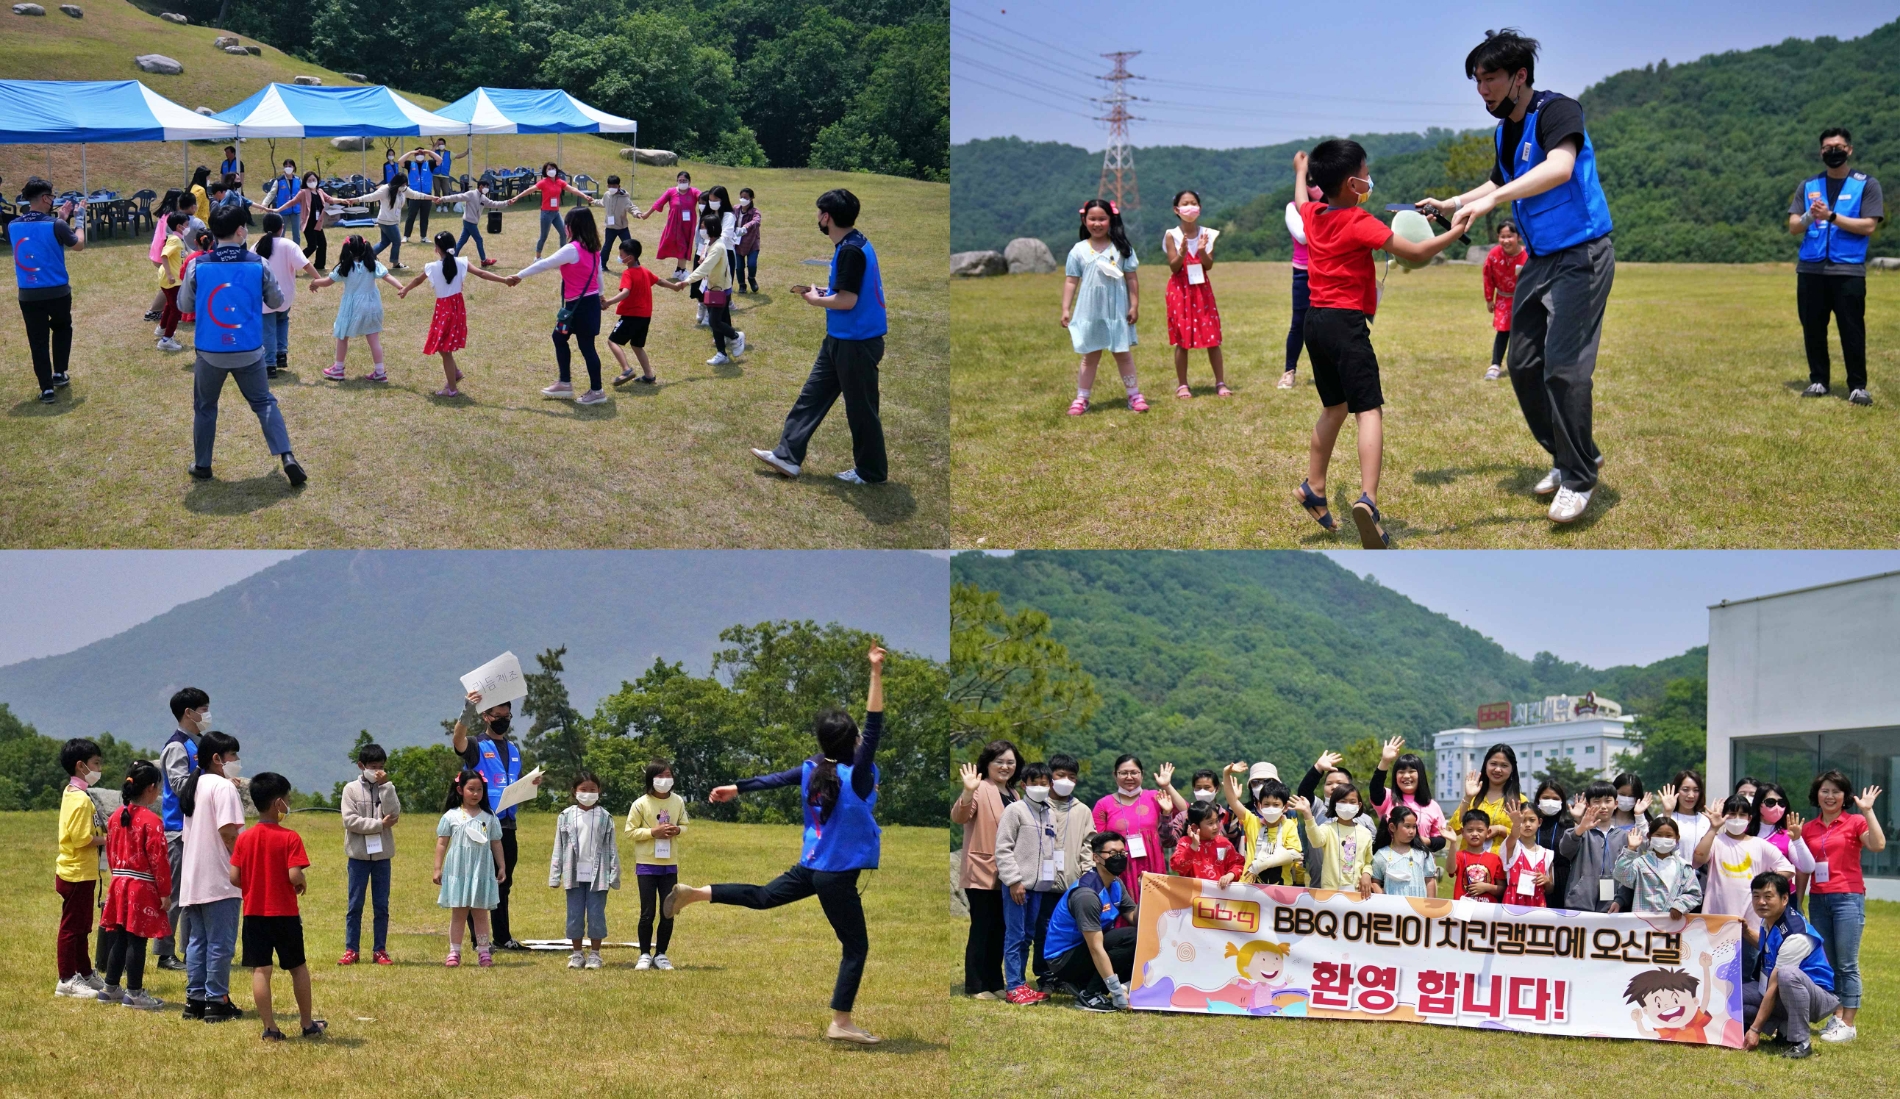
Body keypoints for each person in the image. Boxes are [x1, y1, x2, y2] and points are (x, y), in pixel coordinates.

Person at [1417, 29, 1617, 525]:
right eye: (1477, 80)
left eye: (1490, 78)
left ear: (1519, 76)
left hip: (1582, 254)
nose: (1482, 89)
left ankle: (1578, 477)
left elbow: (1560, 168)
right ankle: (1571, 455)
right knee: (1524, 363)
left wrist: (1492, 201)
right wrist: (1454, 202)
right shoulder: (1505, 130)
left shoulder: (1557, 111)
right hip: (1542, 258)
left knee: (1565, 369)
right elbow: (1499, 179)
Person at [662, 644, 889, 1046]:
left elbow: (776, 779)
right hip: (836, 875)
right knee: (856, 948)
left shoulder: (813, 768)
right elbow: (875, 723)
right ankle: (841, 1022)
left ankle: (695, 893)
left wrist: (737, 787)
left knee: (764, 896)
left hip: (812, 866)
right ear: (853, 741)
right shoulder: (859, 773)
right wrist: (875, 672)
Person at [1292, 140, 1466, 548]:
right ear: (1352, 184)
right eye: (1365, 173)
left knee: (1334, 407)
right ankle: (1368, 501)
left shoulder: (1314, 214)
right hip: (1346, 324)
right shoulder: (1359, 221)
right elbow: (1416, 252)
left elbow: (1301, 199)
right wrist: (1456, 230)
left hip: (1314, 323)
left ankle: (1314, 486)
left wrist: (1300, 171)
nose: (1369, 180)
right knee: (1368, 410)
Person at [750, 189, 890, 485]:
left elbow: (848, 300)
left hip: (857, 342)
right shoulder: (853, 242)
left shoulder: (851, 250)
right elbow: (847, 291)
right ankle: (787, 456)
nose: (817, 217)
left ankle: (871, 472)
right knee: (811, 397)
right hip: (839, 338)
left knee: (861, 409)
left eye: (818, 213)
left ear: (827, 217)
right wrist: (828, 293)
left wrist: (816, 300)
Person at [179, 205, 307, 486]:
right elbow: (276, 301)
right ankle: (286, 455)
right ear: (240, 231)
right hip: (249, 349)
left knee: (205, 407)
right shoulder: (258, 263)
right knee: (264, 402)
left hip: (210, 351)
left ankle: (202, 464)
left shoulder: (197, 265)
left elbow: (184, 305)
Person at [1789, 128, 1885, 405]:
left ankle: (1857, 386)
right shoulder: (1808, 185)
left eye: (1839, 147)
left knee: (1852, 329)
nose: (1833, 151)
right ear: (1820, 152)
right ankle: (1819, 380)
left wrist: (1831, 216)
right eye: (1827, 147)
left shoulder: (1866, 184)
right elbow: (1794, 226)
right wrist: (1810, 215)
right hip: (1811, 269)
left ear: (1849, 150)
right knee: (1813, 329)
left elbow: (1868, 226)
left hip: (1847, 270)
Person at [229, 772, 325, 1042]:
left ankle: (270, 1028)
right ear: (278, 803)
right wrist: (301, 880)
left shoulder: (244, 838)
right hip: (284, 914)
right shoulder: (290, 837)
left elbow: (234, 877)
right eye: (287, 800)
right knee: (298, 968)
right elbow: (294, 874)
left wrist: (254, 885)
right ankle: (307, 1024)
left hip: (254, 914)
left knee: (261, 970)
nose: (288, 804)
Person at [453, 688, 544, 952]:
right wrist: (467, 710)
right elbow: (457, 741)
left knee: (503, 882)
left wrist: (530, 784)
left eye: (507, 716)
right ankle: (478, 941)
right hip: (479, 824)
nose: (503, 720)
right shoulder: (476, 745)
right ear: (486, 717)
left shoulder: (514, 748)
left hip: (506, 825)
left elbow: (511, 782)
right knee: (477, 882)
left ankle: (503, 937)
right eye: (498, 716)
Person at [1799, 771, 1885, 1041]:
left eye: (1836, 791)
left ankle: (1848, 1023)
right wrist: (1799, 901)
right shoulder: (1808, 828)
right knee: (1829, 962)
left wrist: (1868, 811)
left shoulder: (1855, 821)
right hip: (1819, 899)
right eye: (1825, 790)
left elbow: (1878, 844)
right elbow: (1803, 868)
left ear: (1845, 796)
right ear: (1817, 794)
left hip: (1848, 898)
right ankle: (1836, 1017)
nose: (1830, 796)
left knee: (1847, 963)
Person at [395, 231, 515, 397]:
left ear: (437, 249)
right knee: (443, 346)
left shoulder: (432, 267)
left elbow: (417, 280)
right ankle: (455, 373)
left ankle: (451, 388)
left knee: (444, 348)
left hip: (444, 309)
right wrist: (504, 280)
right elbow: (482, 273)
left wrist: (405, 290)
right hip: (457, 308)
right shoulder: (462, 262)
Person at [512, 207, 611, 405]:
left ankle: (597, 391)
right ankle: (565, 383)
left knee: (586, 347)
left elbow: (545, 263)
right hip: (586, 304)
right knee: (559, 337)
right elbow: (599, 275)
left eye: (566, 224)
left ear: (572, 227)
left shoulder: (572, 249)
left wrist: (519, 275)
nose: (565, 228)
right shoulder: (593, 249)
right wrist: (600, 295)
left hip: (579, 307)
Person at [178, 731, 245, 1023]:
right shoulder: (223, 787)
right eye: (233, 755)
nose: (237, 760)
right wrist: (243, 863)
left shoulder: (195, 786)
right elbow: (228, 832)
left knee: (198, 941)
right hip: (220, 877)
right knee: (220, 943)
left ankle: (195, 999)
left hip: (193, 878)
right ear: (217, 758)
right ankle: (216, 1000)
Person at [1059, 198, 1145, 415]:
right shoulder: (1078, 250)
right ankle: (1082, 398)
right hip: (1090, 312)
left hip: (1116, 312)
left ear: (1111, 220)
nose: (1097, 223)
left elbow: (1131, 278)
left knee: (1123, 354)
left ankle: (1134, 395)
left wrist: (1134, 305)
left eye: (1102, 219)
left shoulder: (1122, 248)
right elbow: (1071, 281)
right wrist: (1066, 309)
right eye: (1092, 219)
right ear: (1084, 220)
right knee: (1090, 357)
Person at [96, 761, 170, 1010]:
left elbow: (110, 850)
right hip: (141, 886)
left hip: (119, 883)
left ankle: (110, 988)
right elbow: (159, 859)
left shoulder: (115, 817)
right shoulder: (152, 821)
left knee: (120, 937)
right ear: (151, 788)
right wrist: (165, 892)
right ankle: (135, 993)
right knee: (137, 939)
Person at [952, 738, 1020, 1000]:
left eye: (1010, 762)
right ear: (988, 763)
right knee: (982, 926)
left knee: (1000, 928)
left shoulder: (1014, 794)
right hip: (981, 870)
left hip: (1007, 872)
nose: (1005, 766)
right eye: (999, 761)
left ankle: (994, 981)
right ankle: (976, 985)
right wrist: (967, 792)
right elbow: (959, 817)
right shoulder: (980, 788)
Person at [1744, 872, 1838, 1059]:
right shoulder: (1770, 919)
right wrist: (1746, 931)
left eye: (1768, 896)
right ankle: (1784, 1029)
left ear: (1785, 898)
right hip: (1783, 990)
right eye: (1756, 896)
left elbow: (1774, 986)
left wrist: (1755, 1029)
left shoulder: (1795, 935)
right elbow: (1767, 947)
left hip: (1816, 997)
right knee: (1734, 993)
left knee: (1787, 974)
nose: (1761, 902)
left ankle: (1801, 1042)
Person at [9, 178, 85, 403]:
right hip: (57, 291)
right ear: (45, 198)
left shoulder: (13, 225)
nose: (53, 200)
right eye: (51, 196)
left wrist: (61, 219)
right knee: (62, 329)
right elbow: (78, 244)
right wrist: (79, 220)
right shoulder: (56, 225)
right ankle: (59, 373)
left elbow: (36, 239)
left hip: (28, 294)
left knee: (37, 340)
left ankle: (46, 389)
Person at [1042, 831, 1137, 1012]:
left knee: (1139, 936)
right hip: (1063, 959)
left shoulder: (1116, 884)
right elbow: (1095, 948)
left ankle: (1089, 985)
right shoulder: (1087, 895)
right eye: (1112, 853)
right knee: (1131, 938)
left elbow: (1134, 918)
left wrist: (1147, 892)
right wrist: (1117, 994)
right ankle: (1089, 995)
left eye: (1122, 853)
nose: (1119, 857)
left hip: (1085, 948)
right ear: (1096, 858)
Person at [994, 760, 1061, 1004]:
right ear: (1024, 785)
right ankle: (1013, 986)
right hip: (1018, 886)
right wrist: (1013, 881)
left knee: (1028, 936)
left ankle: (1022, 984)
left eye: (1044, 783)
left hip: (1039, 887)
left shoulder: (1050, 813)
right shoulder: (1015, 810)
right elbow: (1003, 848)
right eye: (1035, 783)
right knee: (1015, 934)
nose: (1040, 787)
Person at [155, 688, 211, 972]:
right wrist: (209, 779)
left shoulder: (196, 743)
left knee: (193, 895)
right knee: (175, 894)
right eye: (204, 709)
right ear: (188, 713)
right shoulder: (177, 746)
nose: (207, 714)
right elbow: (179, 786)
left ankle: (191, 951)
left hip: (195, 829)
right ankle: (164, 953)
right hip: (178, 830)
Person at [433, 770, 507, 968]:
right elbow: (442, 843)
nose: (475, 794)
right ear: (460, 790)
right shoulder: (451, 816)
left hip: (481, 871)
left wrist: (501, 866)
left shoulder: (489, 817)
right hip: (458, 871)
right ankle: (454, 952)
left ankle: (484, 952)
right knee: (458, 913)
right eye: (471, 789)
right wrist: (437, 868)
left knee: (481, 914)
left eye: (479, 790)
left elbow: (496, 842)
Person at [308, 234, 405, 383]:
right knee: (374, 339)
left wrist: (315, 282)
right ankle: (380, 372)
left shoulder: (344, 267)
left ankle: (338, 369)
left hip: (351, 308)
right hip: (372, 306)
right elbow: (387, 276)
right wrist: (400, 287)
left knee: (342, 336)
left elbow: (327, 282)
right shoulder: (372, 264)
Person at [549, 770, 620, 970]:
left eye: (592, 789)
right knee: (574, 914)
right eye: (583, 789)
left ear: (599, 791)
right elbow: (558, 846)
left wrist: (614, 873)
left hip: (599, 874)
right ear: (574, 791)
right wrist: (555, 875)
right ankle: (577, 954)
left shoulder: (605, 817)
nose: (588, 793)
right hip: (573, 873)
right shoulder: (565, 816)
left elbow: (612, 847)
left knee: (596, 914)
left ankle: (595, 954)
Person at [1087, 755, 1182, 905]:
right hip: (1119, 868)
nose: (1129, 777)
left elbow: (1185, 812)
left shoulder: (1155, 797)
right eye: (1123, 773)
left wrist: (1167, 786)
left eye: (1134, 772)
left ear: (1142, 774)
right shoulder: (1103, 804)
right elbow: (1096, 842)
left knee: (1153, 909)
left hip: (1152, 866)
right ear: (1115, 775)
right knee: (1123, 910)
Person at [1163, 189, 1230, 398]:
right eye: (1185, 204)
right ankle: (1182, 384)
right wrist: (1182, 253)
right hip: (1180, 290)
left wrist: (1201, 251)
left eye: (1193, 203)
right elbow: (1174, 267)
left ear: (1199, 208)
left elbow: (1208, 265)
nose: (1189, 207)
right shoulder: (1171, 235)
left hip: (1202, 290)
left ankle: (1220, 382)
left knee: (1213, 337)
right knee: (1182, 340)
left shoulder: (1208, 234)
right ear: (1176, 210)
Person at [53, 738, 105, 998]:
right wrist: (108, 839)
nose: (99, 768)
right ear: (80, 766)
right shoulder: (80, 799)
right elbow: (82, 838)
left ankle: (84, 972)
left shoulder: (74, 793)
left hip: (82, 871)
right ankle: (66, 978)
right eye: (96, 763)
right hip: (76, 873)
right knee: (72, 928)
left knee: (83, 926)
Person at [338, 742, 399, 966]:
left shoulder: (387, 787)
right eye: (373, 767)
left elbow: (394, 814)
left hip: (382, 857)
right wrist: (379, 825)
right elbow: (350, 821)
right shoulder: (350, 789)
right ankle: (351, 950)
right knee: (355, 905)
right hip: (358, 856)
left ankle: (380, 950)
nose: (378, 771)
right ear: (361, 766)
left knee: (381, 906)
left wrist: (386, 787)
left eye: (381, 766)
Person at [623, 758, 687, 971]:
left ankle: (661, 954)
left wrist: (677, 830)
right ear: (651, 779)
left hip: (669, 865)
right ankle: (644, 954)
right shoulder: (640, 803)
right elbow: (630, 831)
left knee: (668, 910)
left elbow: (685, 825)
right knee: (647, 912)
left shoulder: (678, 801)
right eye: (660, 776)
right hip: (647, 865)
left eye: (668, 775)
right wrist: (653, 832)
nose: (665, 780)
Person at [603, 237, 685, 387]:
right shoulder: (645, 271)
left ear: (630, 257)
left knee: (612, 341)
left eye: (621, 255)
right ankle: (649, 376)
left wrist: (609, 302)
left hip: (631, 316)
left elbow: (626, 292)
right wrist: (674, 287)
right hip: (645, 316)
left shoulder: (628, 274)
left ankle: (626, 370)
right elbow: (660, 281)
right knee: (637, 345)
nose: (620, 257)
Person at [255, 212, 319, 378]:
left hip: (264, 296)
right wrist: (318, 279)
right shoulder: (289, 245)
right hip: (285, 295)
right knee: (282, 320)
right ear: (281, 228)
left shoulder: (256, 246)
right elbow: (305, 265)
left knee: (268, 329)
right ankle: (281, 354)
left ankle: (269, 365)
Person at [1222, 767, 1307, 886]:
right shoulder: (1252, 822)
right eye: (1266, 804)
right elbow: (1233, 801)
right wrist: (1226, 774)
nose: (1270, 808)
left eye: (1276, 804)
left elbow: (1294, 854)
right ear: (1260, 805)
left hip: (1280, 888)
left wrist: (1259, 866)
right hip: (1249, 886)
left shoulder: (1289, 825)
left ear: (1285, 807)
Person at [1279, 168, 1324, 388]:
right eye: (1311, 182)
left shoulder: (1334, 206)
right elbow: (1303, 236)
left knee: (1327, 321)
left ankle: (1326, 370)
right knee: (1299, 323)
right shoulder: (1292, 208)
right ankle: (1289, 371)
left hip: (1326, 270)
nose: (1317, 187)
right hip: (1303, 272)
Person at [1558, 780, 1629, 912]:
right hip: (1579, 904)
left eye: (1608, 801)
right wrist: (1581, 828)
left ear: (1616, 804)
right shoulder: (1582, 832)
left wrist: (1620, 899)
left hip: (1612, 905)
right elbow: (1564, 850)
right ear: (1588, 805)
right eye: (1597, 801)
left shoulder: (1624, 836)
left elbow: (1628, 873)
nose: (1603, 806)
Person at [1369, 736, 1449, 851]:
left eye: (1411, 771)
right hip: (1390, 859)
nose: (1406, 776)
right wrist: (1385, 761)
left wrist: (1420, 841)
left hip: (1421, 860)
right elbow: (1375, 789)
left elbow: (1441, 840)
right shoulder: (1388, 798)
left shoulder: (1432, 806)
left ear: (1420, 775)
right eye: (1401, 772)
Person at [1615, 817, 1701, 915]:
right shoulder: (1641, 863)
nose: (1663, 839)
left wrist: (1679, 906)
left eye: (1669, 836)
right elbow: (1620, 875)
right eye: (1658, 835)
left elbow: (1695, 893)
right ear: (1649, 836)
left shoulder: (1684, 867)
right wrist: (1631, 849)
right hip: (1644, 922)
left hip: (1673, 922)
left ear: (1677, 838)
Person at [512, 161, 599, 259]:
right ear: (545, 171)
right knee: (544, 236)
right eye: (549, 169)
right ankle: (537, 257)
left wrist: (585, 196)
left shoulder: (559, 182)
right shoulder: (543, 182)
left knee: (564, 233)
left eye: (553, 168)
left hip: (556, 213)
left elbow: (572, 189)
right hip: (546, 213)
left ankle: (563, 256)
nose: (551, 170)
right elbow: (530, 190)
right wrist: (517, 197)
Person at [1295, 785, 1373, 893]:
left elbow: (1368, 862)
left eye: (1352, 802)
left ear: (1359, 805)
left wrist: (1367, 874)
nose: (1347, 805)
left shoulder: (1365, 833)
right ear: (1334, 804)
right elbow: (1316, 841)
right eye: (1343, 801)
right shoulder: (1327, 829)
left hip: (1358, 892)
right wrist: (1307, 814)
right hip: (1330, 892)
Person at [685, 229, 744, 366]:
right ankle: (722, 353)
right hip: (711, 287)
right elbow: (705, 257)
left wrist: (687, 281)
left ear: (712, 228)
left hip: (719, 289)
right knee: (718, 321)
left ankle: (736, 336)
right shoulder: (710, 242)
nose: (702, 230)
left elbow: (705, 267)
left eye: (704, 227)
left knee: (714, 321)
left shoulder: (718, 247)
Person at [1456, 743, 1525, 852]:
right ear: (1486, 765)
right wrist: (1468, 798)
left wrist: (1501, 830)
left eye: (1504, 765)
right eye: (1493, 764)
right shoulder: (1473, 797)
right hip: (1469, 860)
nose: (1497, 769)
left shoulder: (1519, 801)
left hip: (1503, 861)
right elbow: (1455, 828)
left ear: (1512, 769)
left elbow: (1527, 835)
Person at [1482, 220, 1527, 379]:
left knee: (1523, 333)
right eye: (1502, 236)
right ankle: (1495, 365)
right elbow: (1488, 275)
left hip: (1524, 299)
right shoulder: (1494, 255)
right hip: (1503, 299)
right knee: (1503, 332)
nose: (1506, 240)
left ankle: (1522, 365)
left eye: (1510, 236)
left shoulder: (1528, 255)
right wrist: (1489, 298)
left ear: (1519, 237)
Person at [366, 169, 436, 270]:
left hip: (392, 221)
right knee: (397, 241)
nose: (404, 186)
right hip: (386, 221)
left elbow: (416, 195)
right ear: (397, 183)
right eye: (403, 184)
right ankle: (395, 263)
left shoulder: (404, 190)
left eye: (405, 184)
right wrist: (354, 200)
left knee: (384, 242)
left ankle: (368, 257)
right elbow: (370, 197)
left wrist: (432, 197)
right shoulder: (385, 189)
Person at [431, 176, 508, 268]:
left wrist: (507, 202)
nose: (487, 189)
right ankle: (483, 260)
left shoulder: (483, 198)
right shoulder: (471, 194)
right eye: (486, 187)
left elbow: (493, 203)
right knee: (479, 240)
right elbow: (457, 197)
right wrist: (443, 199)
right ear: (480, 186)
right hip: (469, 222)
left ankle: (451, 258)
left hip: (471, 222)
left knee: (462, 241)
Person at [639, 170, 701, 279]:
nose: (682, 182)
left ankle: (679, 270)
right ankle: (682, 270)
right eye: (680, 180)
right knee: (680, 245)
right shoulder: (671, 191)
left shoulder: (693, 191)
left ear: (689, 181)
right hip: (674, 225)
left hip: (688, 225)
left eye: (685, 180)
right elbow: (658, 203)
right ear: (677, 181)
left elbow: (704, 198)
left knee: (685, 245)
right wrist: (647, 214)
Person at [1368, 804, 1439, 898]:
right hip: (1392, 906)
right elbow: (1375, 881)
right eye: (1407, 826)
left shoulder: (1423, 854)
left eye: (1414, 826)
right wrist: (1382, 897)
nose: (1412, 831)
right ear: (1392, 827)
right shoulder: (1381, 855)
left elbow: (1429, 881)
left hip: (1418, 905)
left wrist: (1430, 903)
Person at [1169, 802, 1244, 885]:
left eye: (1217, 821)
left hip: (1219, 892)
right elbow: (1177, 867)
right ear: (1195, 827)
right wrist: (1193, 847)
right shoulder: (1185, 842)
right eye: (1210, 823)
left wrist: (1230, 875)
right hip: (1193, 892)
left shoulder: (1223, 843)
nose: (1216, 826)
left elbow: (1238, 863)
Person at [1656, 770, 1714, 870]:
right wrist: (1667, 813)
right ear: (1677, 791)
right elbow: (1658, 848)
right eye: (1685, 789)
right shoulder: (1664, 817)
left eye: (1696, 790)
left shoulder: (1706, 821)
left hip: (1699, 877)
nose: (1691, 795)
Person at [1530, 779, 1575, 906]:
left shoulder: (1569, 825)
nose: (1550, 802)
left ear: (1562, 802)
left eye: (1555, 798)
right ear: (1538, 800)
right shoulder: (1531, 823)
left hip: (1562, 880)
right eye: (1546, 798)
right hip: (1532, 877)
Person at [1751, 782, 1815, 870]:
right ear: (1758, 805)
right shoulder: (1744, 832)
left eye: (1781, 803)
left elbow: (1808, 868)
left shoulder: (1788, 835)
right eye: (1770, 802)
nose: (1777, 807)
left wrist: (1797, 840)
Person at [1499, 803, 1552, 906]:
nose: (1527, 824)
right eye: (1523, 820)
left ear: (1539, 822)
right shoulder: (1512, 846)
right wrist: (1516, 824)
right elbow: (1514, 836)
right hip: (1513, 903)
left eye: (1532, 820)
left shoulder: (1547, 854)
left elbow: (1550, 889)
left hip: (1537, 905)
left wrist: (1546, 881)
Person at [154, 211, 190, 353]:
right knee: (176, 310)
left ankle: (162, 328)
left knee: (170, 305)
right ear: (180, 226)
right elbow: (164, 256)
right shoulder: (175, 240)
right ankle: (166, 340)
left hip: (171, 278)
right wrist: (169, 275)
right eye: (187, 225)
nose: (188, 227)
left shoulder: (177, 239)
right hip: (172, 280)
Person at [1451, 809, 1505, 901]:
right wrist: (1452, 843)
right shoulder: (1459, 856)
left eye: (1480, 830)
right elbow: (1450, 869)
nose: (1475, 834)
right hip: (1462, 907)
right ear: (1463, 832)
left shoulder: (1495, 859)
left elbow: (1503, 889)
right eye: (1470, 830)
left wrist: (1487, 887)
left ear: (1488, 832)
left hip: (1487, 908)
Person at [1294, 750, 1357, 825]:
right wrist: (1318, 768)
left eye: (1339, 783)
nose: (1334, 787)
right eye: (1329, 784)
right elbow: (1304, 792)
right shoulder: (1318, 809)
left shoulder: (1363, 819)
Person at [399, 146, 441, 241]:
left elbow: (439, 160)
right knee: (411, 216)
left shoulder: (429, 164)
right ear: (415, 155)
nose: (420, 155)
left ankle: (423, 236)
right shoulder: (410, 164)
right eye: (417, 154)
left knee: (424, 217)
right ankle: (406, 236)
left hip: (427, 195)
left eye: (422, 154)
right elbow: (400, 161)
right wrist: (411, 152)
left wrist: (428, 151)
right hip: (414, 195)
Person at [599, 175, 639, 271]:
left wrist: (637, 213)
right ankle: (601, 265)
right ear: (607, 186)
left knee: (630, 247)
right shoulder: (606, 195)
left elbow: (631, 207)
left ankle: (635, 265)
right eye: (610, 186)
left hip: (622, 228)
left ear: (619, 186)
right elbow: (602, 202)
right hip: (610, 228)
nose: (612, 188)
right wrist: (592, 201)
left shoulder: (624, 197)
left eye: (614, 186)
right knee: (607, 246)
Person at [265, 160, 303, 246]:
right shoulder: (279, 180)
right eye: (286, 166)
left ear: (294, 167)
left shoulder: (298, 180)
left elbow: (303, 194)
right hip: (283, 210)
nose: (288, 168)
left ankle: (296, 249)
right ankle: (279, 248)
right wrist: (264, 204)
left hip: (296, 210)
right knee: (280, 232)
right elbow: (271, 193)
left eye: (290, 166)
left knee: (296, 234)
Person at [734, 187, 762, 293]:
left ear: (751, 198)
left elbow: (756, 221)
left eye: (745, 197)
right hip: (737, 243)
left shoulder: (755, 212)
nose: (743, 199)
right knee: (739, 267)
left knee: (751, 264)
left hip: (752, 243)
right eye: (741, 197)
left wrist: (746, 227)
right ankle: (742, 285)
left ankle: (751, 278)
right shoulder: (735, 209)